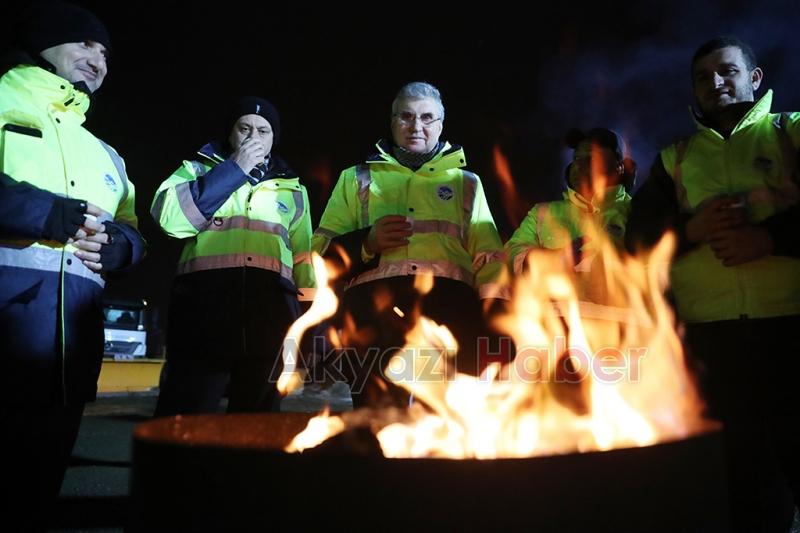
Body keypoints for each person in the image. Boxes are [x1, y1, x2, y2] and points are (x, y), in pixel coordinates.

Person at [625, 36, 800, 532]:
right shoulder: (675, 159)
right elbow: (634, 243)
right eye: (703, 77)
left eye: (726, 71)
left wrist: (769, 239)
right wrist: (689, 231)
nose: (715, 83)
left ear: (755, 78)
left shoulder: (791, 133)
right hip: (711, 341)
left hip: (791, 330)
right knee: (740, 482)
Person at [0, 1, 146, 526]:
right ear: (45, 40)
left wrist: (121, 248)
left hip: (69, 360)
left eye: (105, 53)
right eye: (86, 44)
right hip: (7, 342)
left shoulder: (106, 153)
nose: (98, 60)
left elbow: (132, 229)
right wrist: (44, 212)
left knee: (38, 499)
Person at [312, 81, 507, 407]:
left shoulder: (467, 182)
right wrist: (367, 242)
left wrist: (494, 320)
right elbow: (321, 252)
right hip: (374, 315)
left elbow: (489, 258)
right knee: (376, 418)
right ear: (392, 122)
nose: (417, 126)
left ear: (441, 125)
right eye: (406, 116)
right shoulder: (356, 177)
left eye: (427, 118)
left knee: (441, 423)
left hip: (448, 313)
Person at [151, 96, 316, 416]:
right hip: (203, 313)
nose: (254, 137)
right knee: (186, 416)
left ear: (274, 139)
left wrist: (309, 327)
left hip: (269, 316)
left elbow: (304, 259)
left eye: (263, 131)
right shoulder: (195, 169)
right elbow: (169, 221)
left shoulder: (293, 189)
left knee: (256, 423)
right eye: (245, 128)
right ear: (231, 133)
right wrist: (234, 169)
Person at [505, 127, 635, 299]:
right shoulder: (542, 213)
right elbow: (509, 257)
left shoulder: (636, 211)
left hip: (617, 321)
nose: (579, 165)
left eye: (591, 158)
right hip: (552, 321)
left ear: (619, 167)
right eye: (576, 158)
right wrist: (553, 260)